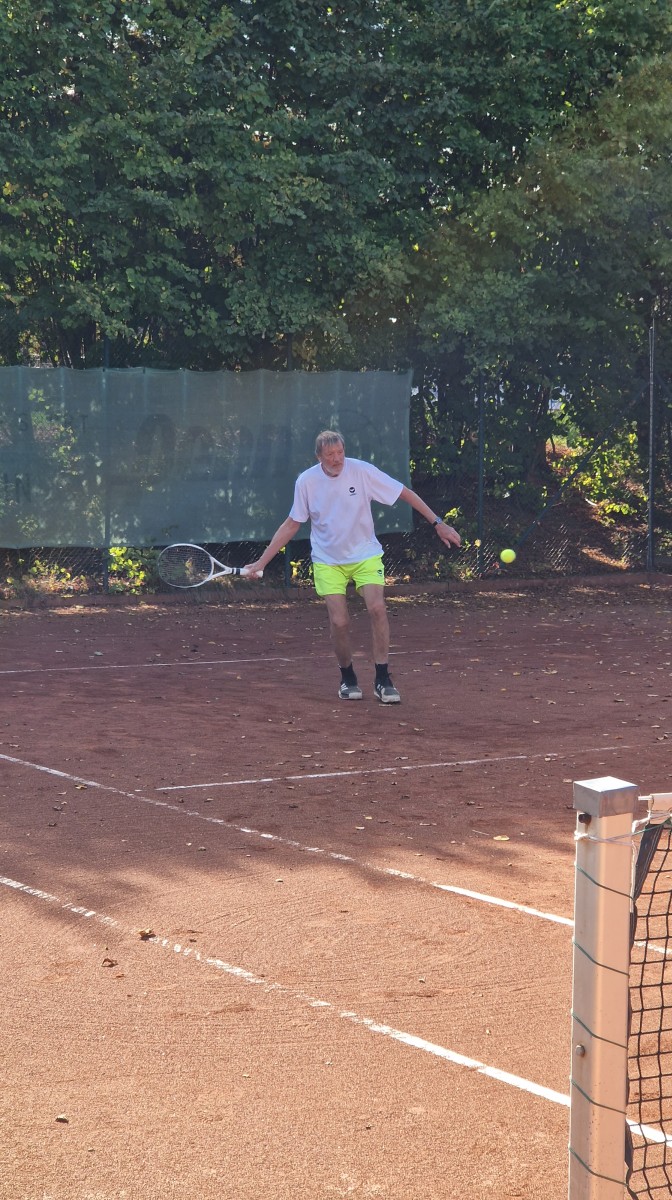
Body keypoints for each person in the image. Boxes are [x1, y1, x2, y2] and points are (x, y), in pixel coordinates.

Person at [244, 430, 461, 704]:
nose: (337, 459)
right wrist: (261, 562)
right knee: (340, 622)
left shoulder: (362, 471)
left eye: (340, 453)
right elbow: (291, 524)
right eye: (330, 455)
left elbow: (404, 493)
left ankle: (382, 679)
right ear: (319, 457)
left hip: (365, 555)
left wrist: (438, 523)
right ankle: (347, 677)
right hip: (327, 561)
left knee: (377, 608)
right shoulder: (306, 482)